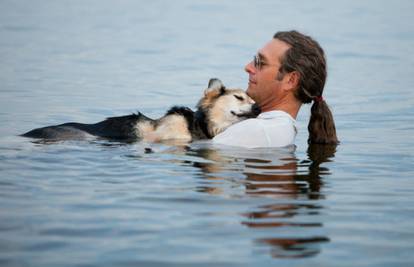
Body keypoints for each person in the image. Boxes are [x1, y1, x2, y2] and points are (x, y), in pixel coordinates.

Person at [213, 30, 338, 148]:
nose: (248, 67)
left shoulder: (259, 130)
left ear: (290, 80)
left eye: (261, 63)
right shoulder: (279, 129)